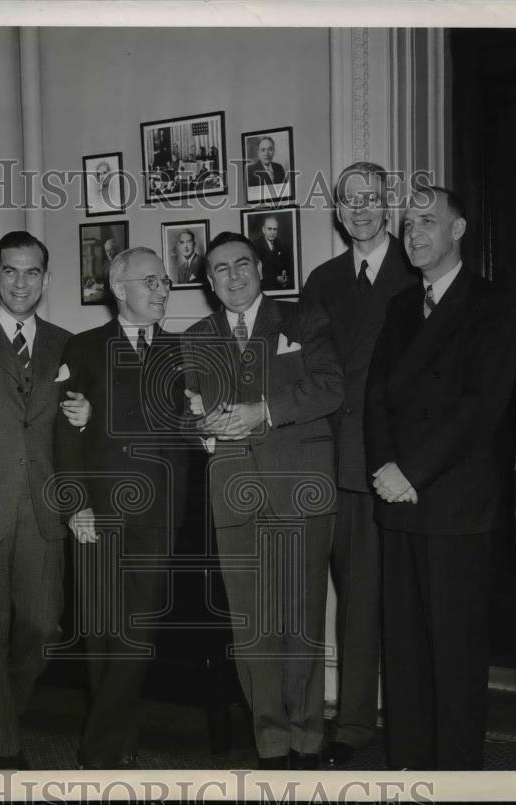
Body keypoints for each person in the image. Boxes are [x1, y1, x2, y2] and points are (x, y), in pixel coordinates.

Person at [364, 186, 516, 769]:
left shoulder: (492, 304)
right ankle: (407, 766)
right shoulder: (402, 307)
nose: (414, 234)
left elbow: (481, 407)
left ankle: (456, 776)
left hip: (455, 504)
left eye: (427, 222)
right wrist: (384, 469)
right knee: (402, 648)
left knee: (455, 652)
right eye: (407, 225)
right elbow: (377, 395)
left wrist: (411, 470)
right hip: (396, 500)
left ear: (459, 230)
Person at [182, 231, 342, 770]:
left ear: (260, 269)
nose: (232, 276)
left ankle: (307, 739)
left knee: (301, 618)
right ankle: (272, 742)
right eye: (219, 269)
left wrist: (263, 411)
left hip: (300, 484)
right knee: (252, 626)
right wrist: (200, 427)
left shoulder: (303, 320)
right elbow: (187, 411)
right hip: (234, 491)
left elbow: (331, 387)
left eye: (241, 264)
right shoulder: (196, 337)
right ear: (208, 282)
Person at [0, 231, 89, 768]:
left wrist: (88, 415)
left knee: (42, 626)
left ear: (46, 279)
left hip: (45, 507)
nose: (20, 282)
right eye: (10, 271)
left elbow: (77, 422)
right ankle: (4, 746)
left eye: (32, 272)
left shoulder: (67, 342)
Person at [300, 161, 418, 767]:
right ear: (338, 212)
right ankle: (350, 724)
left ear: (389, 203)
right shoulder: (320, 280)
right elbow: (303, 368)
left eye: (373, 198)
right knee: (349, 600)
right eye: (351, 201)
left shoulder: (419, 270)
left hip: (394, 464)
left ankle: (402, 720)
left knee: (393, 601)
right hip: (330, 462)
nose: (362, 209)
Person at [55, 247, 188, 769]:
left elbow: (189, 426)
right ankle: (121, 734)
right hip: (97, 512)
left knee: (138, 629)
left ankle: (99, 749)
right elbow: (64, 432)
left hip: (158, 514)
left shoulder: (180, 351)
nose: (161, 291)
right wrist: (75, 504)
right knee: (100, 630)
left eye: (165, 283)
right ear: (119, 288)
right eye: (150, 281)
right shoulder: (83, 347)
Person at [252, 216, 292, 291]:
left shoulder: (278, 242)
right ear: (263, 230)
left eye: (275, 229)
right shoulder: (256, 245)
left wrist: (283, 271)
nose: (272, 232)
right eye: (269, 229)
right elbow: (257, 273)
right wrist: (276, 279)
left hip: (278, 286)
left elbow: (281, 263)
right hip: (264, 287)